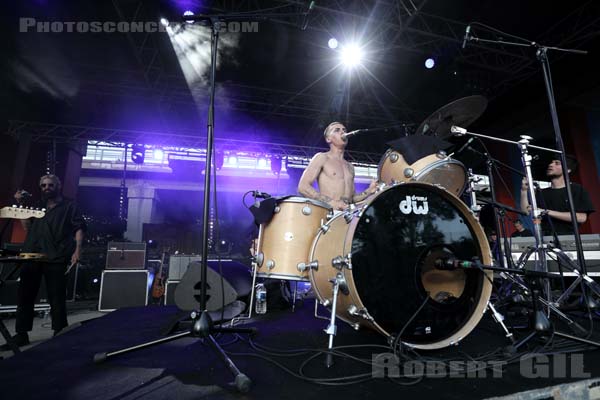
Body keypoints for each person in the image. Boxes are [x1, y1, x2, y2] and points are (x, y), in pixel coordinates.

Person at [3, 174, 86, 348]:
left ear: (58, 186)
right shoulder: (36, 206)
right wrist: (20, 206)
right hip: (32, 254)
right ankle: (21, 334)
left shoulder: (69, 206)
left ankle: (59, 331)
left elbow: (78, 228)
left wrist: (77, 250)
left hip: (56, 255)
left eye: (50, 185)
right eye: (43, 186)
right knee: (25, 295)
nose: (46, 188)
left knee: (56, 295)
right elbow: (27, 227)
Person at [297, 122, 378, 210]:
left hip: (348, 215)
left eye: (344, 130)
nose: (342, 132)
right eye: (337, 130)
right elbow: (303, 187)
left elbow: (352, 198)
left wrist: (369, 191)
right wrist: (330, 203)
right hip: (329, 214)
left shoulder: (350, 166)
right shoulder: (321, 158)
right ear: (328, 139)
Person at [520, 158, 595, 235]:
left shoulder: (576, 189)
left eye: (557, 163)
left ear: (567, 170)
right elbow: (526, 211)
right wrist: (523, 191)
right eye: (551, 162)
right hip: (545, 238)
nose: (551, 165)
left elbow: (581, 218)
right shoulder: (541, 192)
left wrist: (546, 212)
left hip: (569, 237)